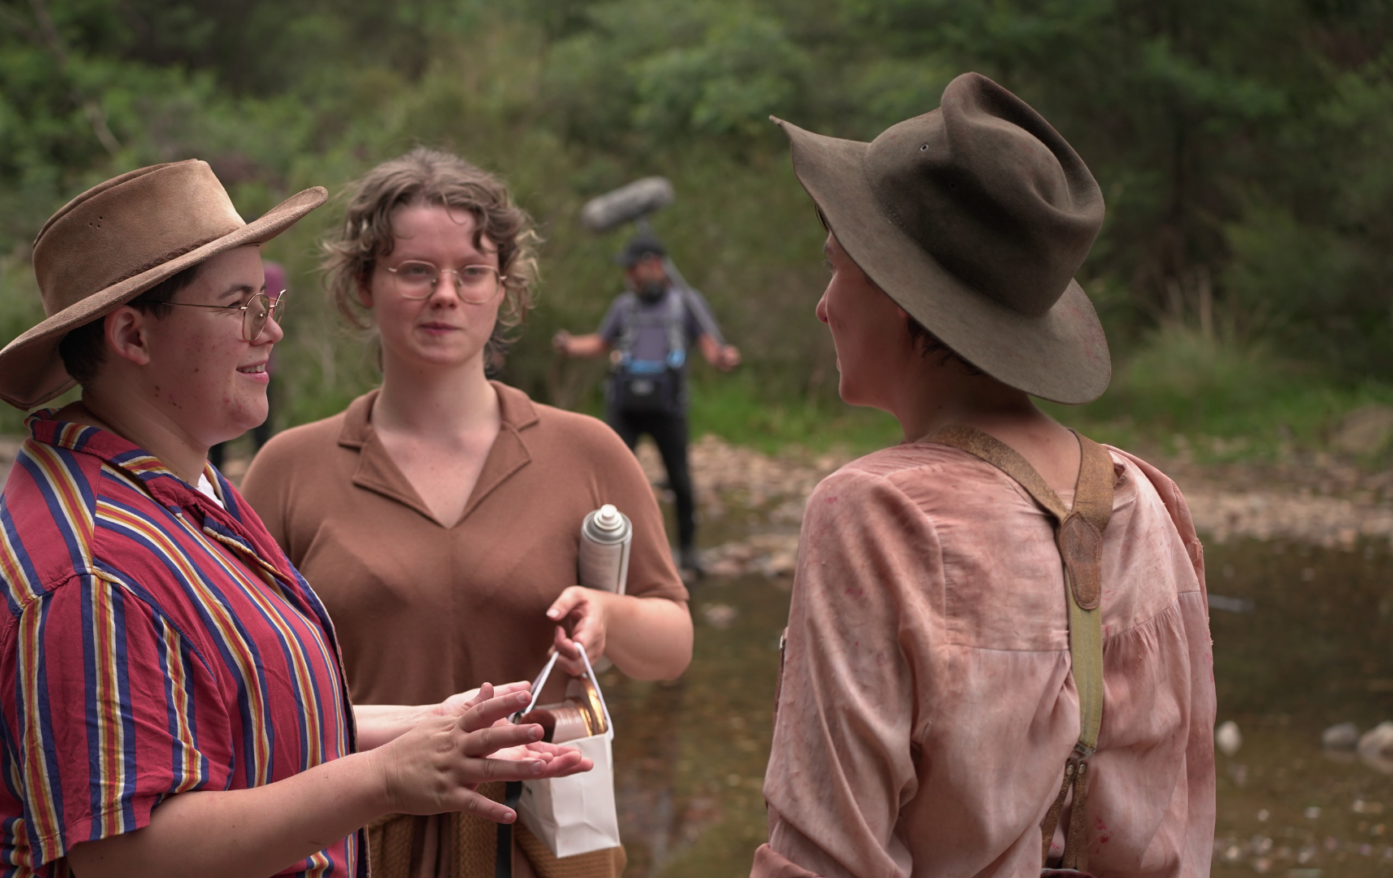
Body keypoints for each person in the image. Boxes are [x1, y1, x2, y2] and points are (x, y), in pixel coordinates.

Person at [0, 160, 589, 878]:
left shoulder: (181, 488)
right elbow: (127, 854)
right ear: (132, 335)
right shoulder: (93, 572)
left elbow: (252, 723)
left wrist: (438, 728)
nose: (268, 333)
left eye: (268, 304)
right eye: (239, 305)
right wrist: (383, 780)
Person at [753, 73, 1216, 877]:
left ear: (904, 300)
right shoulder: (1149, 501)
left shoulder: (873, 515)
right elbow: (1186, 812)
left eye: (837, 267)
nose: (824, 307)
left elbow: (826, 856)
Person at [242, 148, 693, 878]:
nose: (445, 294)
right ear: (364, 284)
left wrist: (613, 616)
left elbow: (672, 644)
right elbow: (247, 689)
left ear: (505, 289)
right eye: (415, 271)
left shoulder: (589, 452)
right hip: (352, 846)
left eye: (472, 272)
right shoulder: (288, 470)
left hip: (543, 845)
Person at [553, 234, 740, 577]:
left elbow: (711, 348)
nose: (630, 276)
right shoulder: (625, 306)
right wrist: (569, 346)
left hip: (668, 407)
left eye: (633, 267)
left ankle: (688, 552)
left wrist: (723, 359)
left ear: (654, 264)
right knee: (610, 477)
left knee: (680, 481)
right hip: (625, 407)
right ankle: (602, 550)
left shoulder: (685, 303)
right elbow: (598, 342)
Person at [208, 260, 287, 471]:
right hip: (244, 363)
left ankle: (266, 474)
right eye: (235, 305)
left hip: (261, 367)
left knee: (261, 428)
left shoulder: (271, 272)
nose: (275, 332)